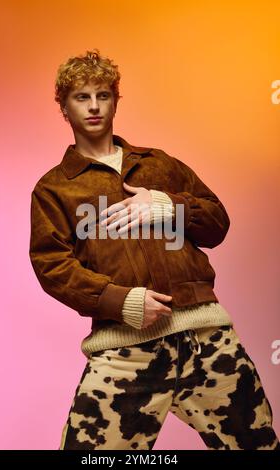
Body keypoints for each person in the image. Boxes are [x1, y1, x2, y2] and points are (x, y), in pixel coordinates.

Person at [29, 48, 279, 450]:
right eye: (81, 97)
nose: (94, 106)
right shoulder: (55, 188)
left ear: (115, 101)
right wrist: (121, 300)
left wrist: (168, 205)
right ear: (63, 106)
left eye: (103, 95)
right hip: (125, 351)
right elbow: (52, 266)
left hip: (208, 341)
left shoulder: (160, 165)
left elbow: (218, 225)